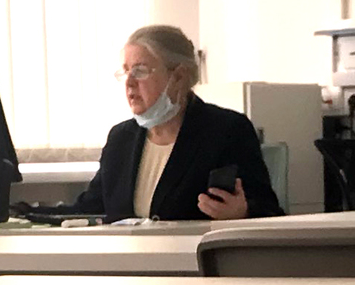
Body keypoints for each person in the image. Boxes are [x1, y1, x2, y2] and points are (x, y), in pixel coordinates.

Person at [74, 24, 283, 222]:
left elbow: (270, 212)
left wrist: (242, 213)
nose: (129, 82)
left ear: (179, 77)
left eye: (140, 71)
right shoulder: (121, 137)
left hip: (193, 249)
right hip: (129, 250)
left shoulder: (227, 130)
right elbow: (89, 208)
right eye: (126, 71)